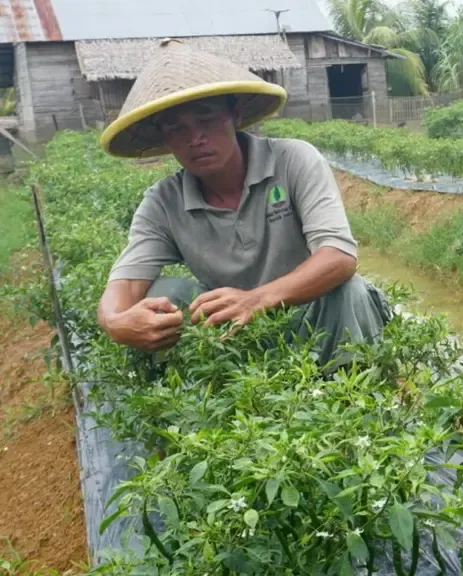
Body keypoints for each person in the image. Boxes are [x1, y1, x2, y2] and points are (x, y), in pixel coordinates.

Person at [96, 39, 390, 368]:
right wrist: (115, 323)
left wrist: (256, 299)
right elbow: (125, 283)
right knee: (164, 293)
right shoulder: (163, 202)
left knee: (350, 291)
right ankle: (189, 394)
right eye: (176, 128)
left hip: (312, 316)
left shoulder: (293, 160)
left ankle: (358, 387)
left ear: (234, 115)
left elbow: (339, 255)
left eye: (206, 119)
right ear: (165, 138)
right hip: (233, 337)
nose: (195, 139)